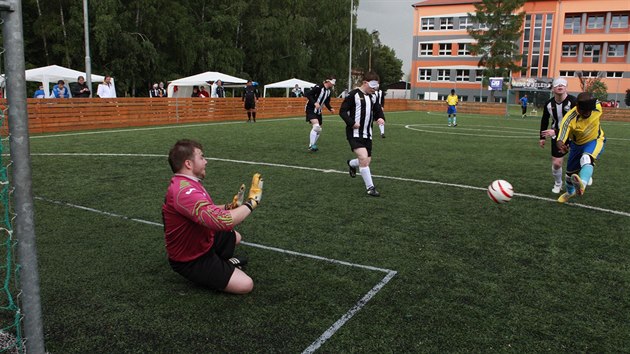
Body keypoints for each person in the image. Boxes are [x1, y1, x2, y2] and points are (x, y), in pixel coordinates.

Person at [162, 139, 264, 294]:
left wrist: (229, 207)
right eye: (202, 157)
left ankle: (221, 264)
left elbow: (206, 210)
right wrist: (251, 203)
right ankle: (217, 267)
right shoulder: (184, 192)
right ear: (188, 164)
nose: (206, 161)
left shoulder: (187, 183)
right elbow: (221, 221)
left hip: (200, 241)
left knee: (235, 237)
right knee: (246, 285)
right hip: (190, 259)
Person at [339, 72, 385, 197]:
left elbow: (378, 110)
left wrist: (380, 118)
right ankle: (370, 188)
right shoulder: (352, 95)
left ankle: (351, 164)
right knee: (364, 158)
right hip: (354, 133)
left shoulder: (373, 96)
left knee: (366, 161)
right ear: (365, 83)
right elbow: (342, 111)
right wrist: (352, 123)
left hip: (367, 134)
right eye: (372, 86)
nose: (374, 89)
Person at [556, 92, 606, 204]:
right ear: (577, 107)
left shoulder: (597, 106)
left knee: (586, 159)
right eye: (584, 111)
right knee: (568, 177)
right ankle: (570, 192)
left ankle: (582, 183)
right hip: (576, 146)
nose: (587, 113)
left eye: (589, 110)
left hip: (595, 140)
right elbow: (560, 139)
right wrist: (561, 145)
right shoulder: (569, 119)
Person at [539, 78, 577, 194]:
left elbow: (578, 122)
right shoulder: (549, 104)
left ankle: (581, 180)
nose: (560, 86)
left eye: (562, 85)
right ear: (553, 88)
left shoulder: (573, 102)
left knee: (579, 161)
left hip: (575, 135)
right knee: (556, 163)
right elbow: (544, 120)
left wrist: (555, 131)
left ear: (566, 87)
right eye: (557, 85)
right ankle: (558, 184)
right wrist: (542, 137)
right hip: (558, 136)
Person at [304, 77, 335, 151]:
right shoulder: (318, 87)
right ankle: (311, 145)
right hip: (310, 108)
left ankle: (312, 145)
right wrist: (314, 102)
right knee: (316, 126)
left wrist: (330, 108)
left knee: (319, 129)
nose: (333, 84)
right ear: (327, 81)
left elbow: (326, 102)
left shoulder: (328, 92)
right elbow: (308, 94)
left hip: (318, 111)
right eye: (332, 82)